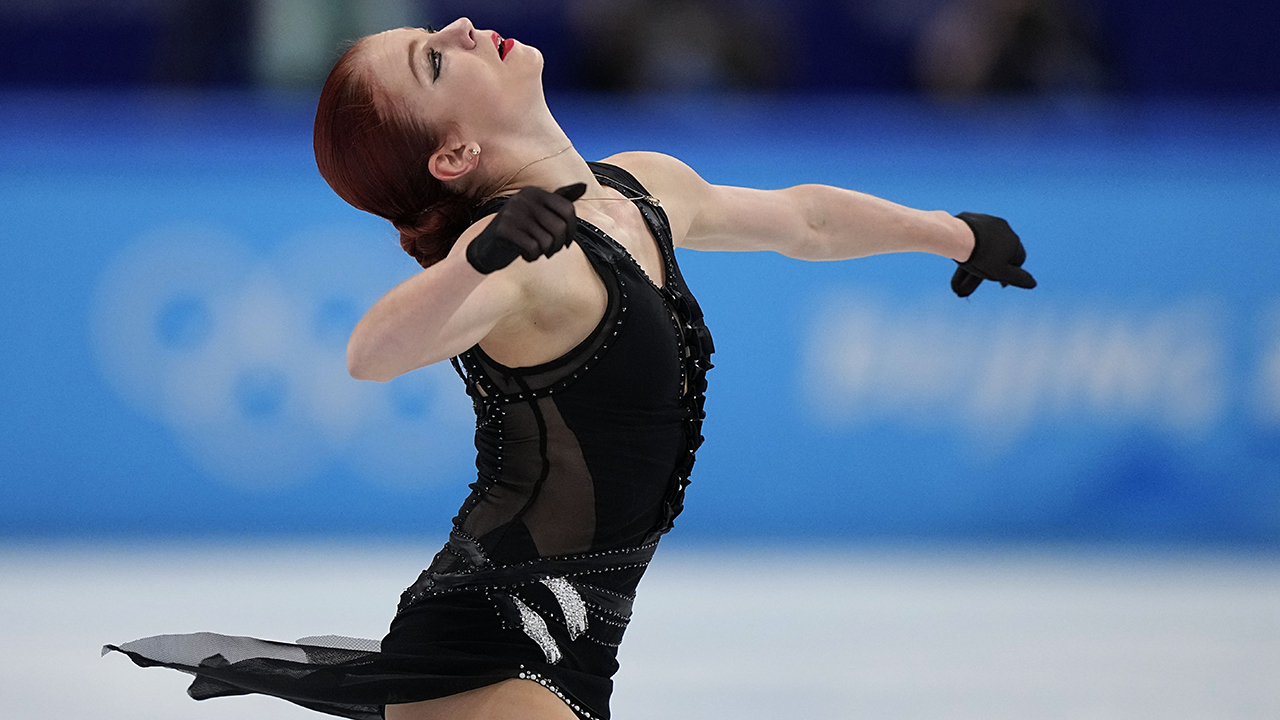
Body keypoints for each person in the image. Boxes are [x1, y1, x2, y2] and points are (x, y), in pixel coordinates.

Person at [105, 17, 1036, 720]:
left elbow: (805, 220)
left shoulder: (641, 185)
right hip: (496, 636)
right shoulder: (522, 259)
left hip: (575, 633)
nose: (465, 28)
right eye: (437, 58)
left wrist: (954, 235)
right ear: (456, 153)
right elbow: (372, 352)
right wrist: (478, 255)